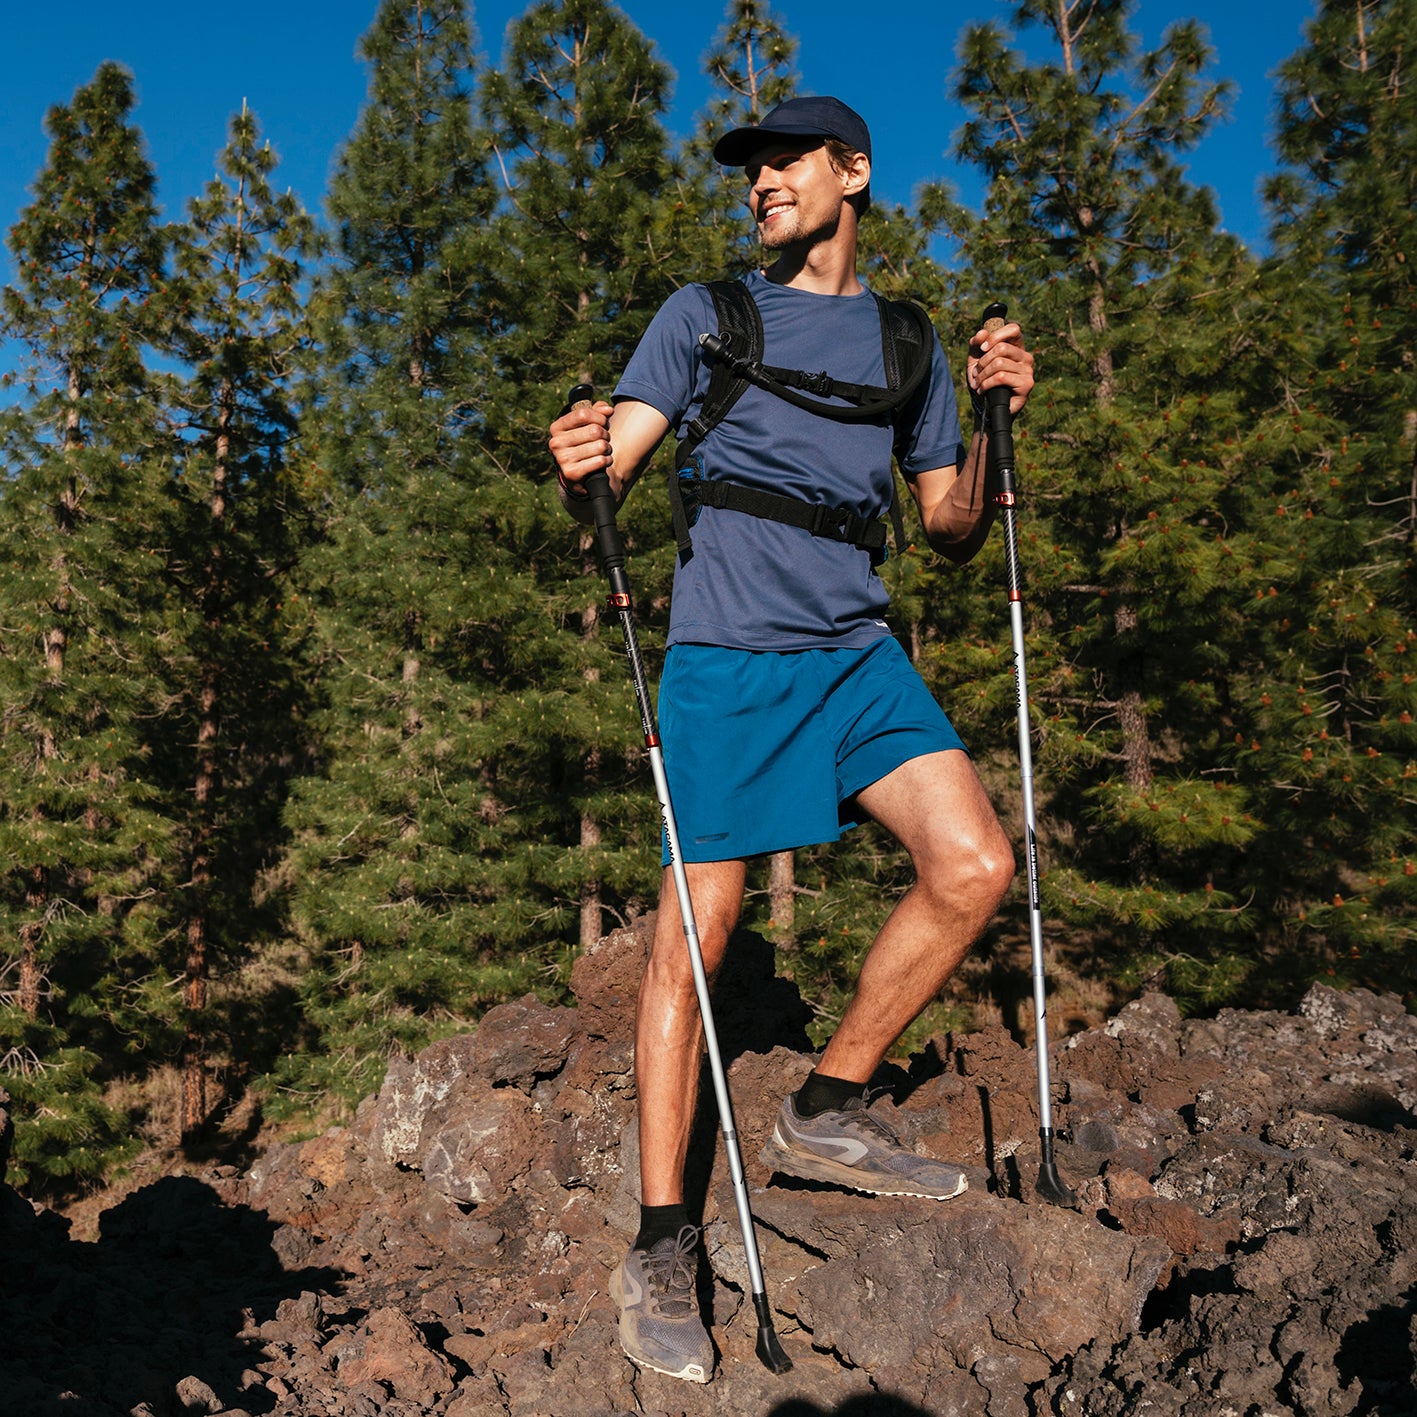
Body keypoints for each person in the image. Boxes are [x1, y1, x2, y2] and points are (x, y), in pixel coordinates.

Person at [547, 95, 1035, 1384]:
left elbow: (946, 524)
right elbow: (616, 462)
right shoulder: (704, 316)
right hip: (729, 658)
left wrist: (989, 424)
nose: (762, 183)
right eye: (750, 170)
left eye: (784, 163)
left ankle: (827, 1107)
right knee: (695, 940)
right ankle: (659, 1241)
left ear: (852, 172)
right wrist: (580, 453)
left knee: (975, 865)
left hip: (856, 656)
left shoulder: (906, 342)